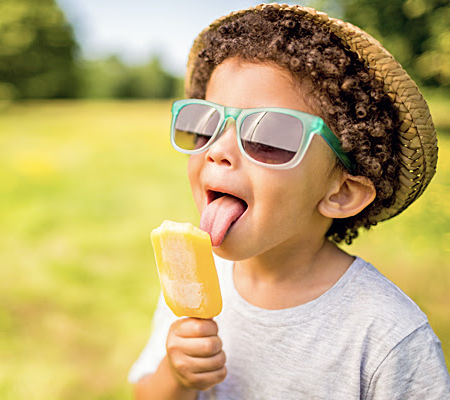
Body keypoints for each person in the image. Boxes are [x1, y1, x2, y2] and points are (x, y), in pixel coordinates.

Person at [129, 4, 450, 399]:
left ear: (341, 192)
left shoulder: (386, 338)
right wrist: (175, 377)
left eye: (270, 138)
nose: (217, 151)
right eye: (204, 125)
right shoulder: (194, 282)